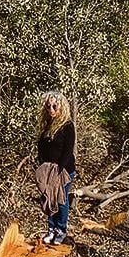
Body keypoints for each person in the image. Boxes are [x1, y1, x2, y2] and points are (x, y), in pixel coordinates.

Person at [35, 92, 76, 245]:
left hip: (63, 170)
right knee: (48, 199)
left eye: (54, 106)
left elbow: (67, 150)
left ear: (61, 107)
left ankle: (61, 229)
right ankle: (51, 228)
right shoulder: (46, 125)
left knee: (61, 200)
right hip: (48, 170)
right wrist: (42, 166)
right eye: (48, 107)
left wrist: (59, 170)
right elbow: (41, 147)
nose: (51, 110)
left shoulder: (67, 126)